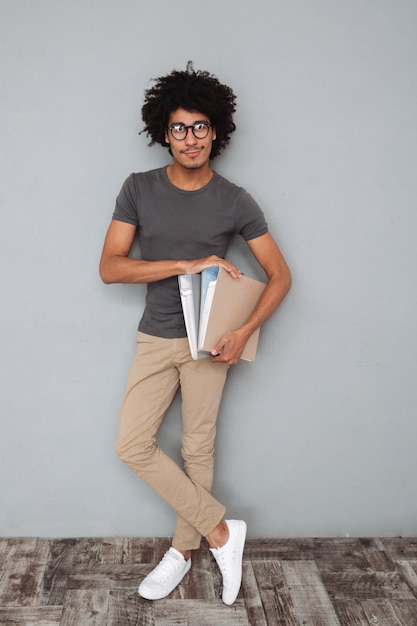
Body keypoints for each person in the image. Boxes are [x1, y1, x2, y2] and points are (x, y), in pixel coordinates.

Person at [99, 63, 292, 605]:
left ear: (217, 132)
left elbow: (282, 276)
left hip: (212, 339)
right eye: (180, 127)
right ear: (164, 131)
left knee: (197, 447)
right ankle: (222, 531)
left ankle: (183, 551)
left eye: (201, 126)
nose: (191, 138)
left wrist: (246, 329)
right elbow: (111, 267)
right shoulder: (138, 188)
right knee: (132, 444)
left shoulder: (234, 199)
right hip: (157, 335)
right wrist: (185, 263)